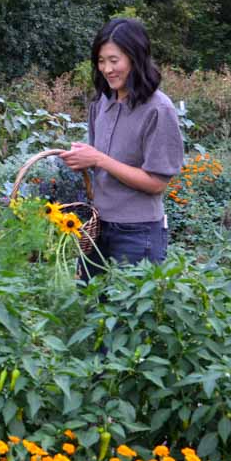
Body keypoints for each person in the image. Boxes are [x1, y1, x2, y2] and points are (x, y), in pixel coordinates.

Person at [58, 17, 184, 277]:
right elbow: (102, 164)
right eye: (101, 61)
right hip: (97, 227)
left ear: (135, 58)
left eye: (114, 60)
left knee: (129, 315)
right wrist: (83, 159)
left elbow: (157, 183)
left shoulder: (158, 109)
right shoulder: (101, 103)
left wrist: (100, 159)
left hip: (138, 234)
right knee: (91, 310)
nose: (107, 69)